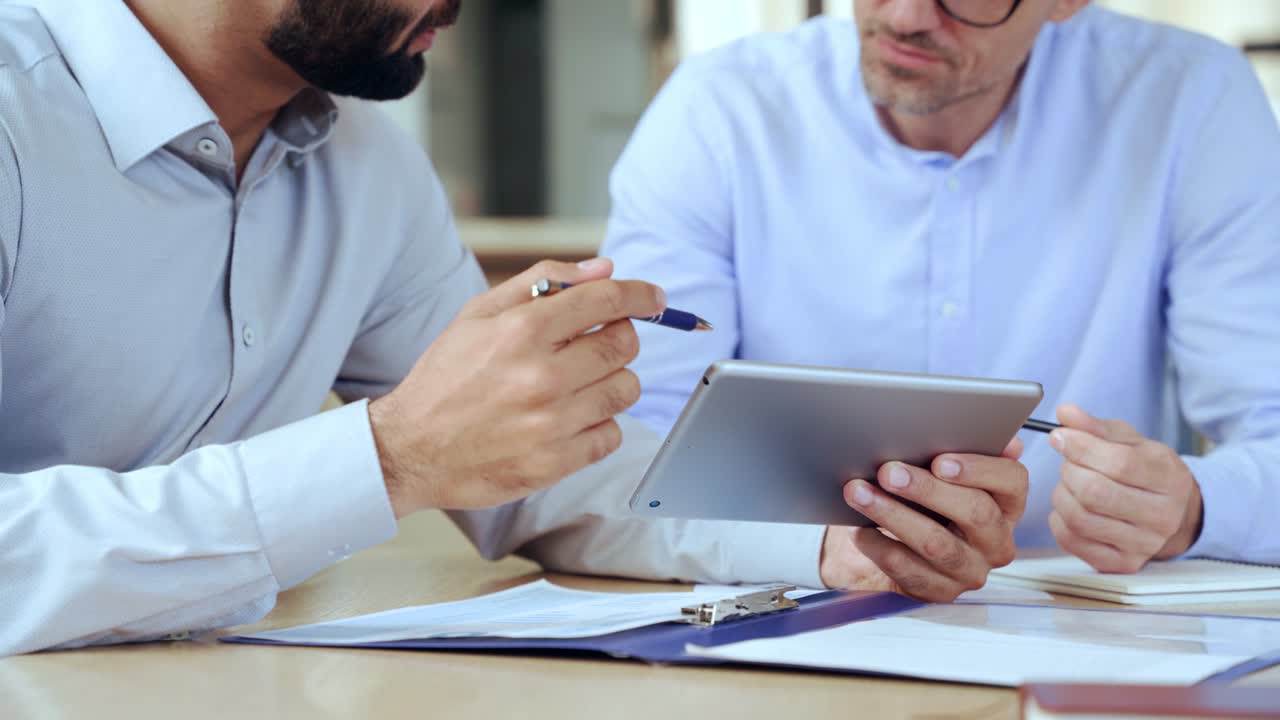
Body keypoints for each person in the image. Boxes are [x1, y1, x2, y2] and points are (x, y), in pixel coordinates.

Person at [0, 0, 845, 656]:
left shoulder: (369, 168)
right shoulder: (16, 117)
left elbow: (540, 473)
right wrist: (390, 458)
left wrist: (826, 544)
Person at [603, 0, 1280, 599]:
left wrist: (1194, 507)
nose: (905, 17)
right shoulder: (721, 108)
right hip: (786, 615)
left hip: (1080, 625)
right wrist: (818, 550)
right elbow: (622, 451)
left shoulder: (1189, 99)